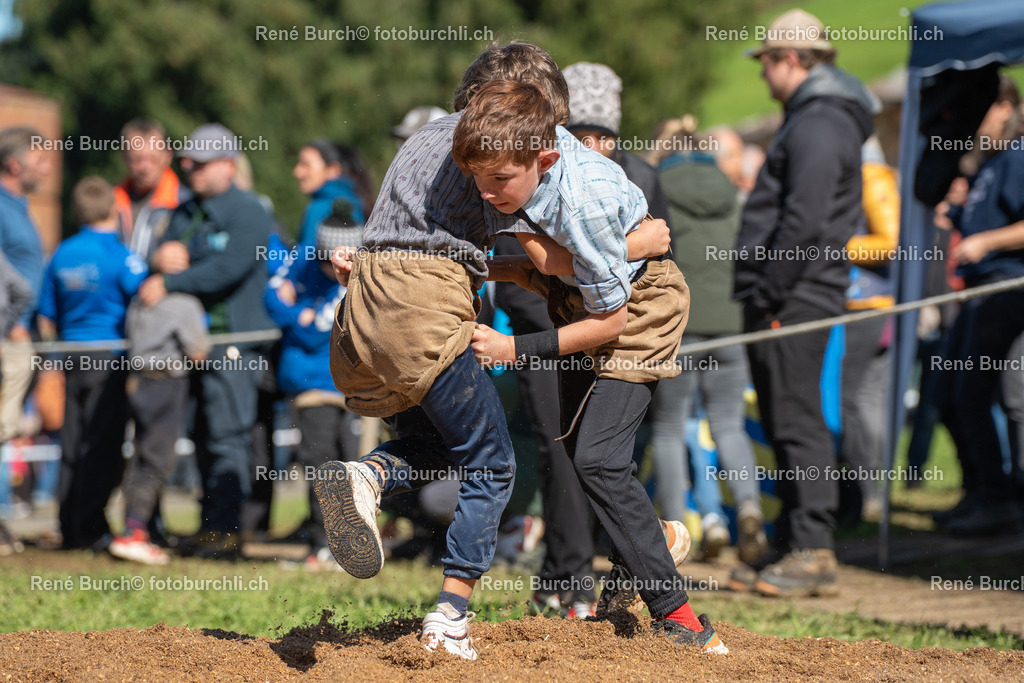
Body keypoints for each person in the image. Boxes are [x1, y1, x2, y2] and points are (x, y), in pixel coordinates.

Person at [316, 41, 671, 661]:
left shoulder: (427, 135)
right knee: (492, 462)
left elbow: (398, 230)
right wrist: (643, 240)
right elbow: (551, 258)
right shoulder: (497, 156)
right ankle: (451, 614)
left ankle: (368, 475)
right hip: (422, 307)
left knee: (439, 443)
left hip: (363, 308)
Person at [455, 79, 727, 654]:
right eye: (479, 178)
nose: (486, 191)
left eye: (499, 181)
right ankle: (651, 548)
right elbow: (551, 264)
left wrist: (513, 351)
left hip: (639, 311)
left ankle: (682, 618)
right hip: (584, 293)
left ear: (545, 157)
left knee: (598, 458)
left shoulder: (583, 201)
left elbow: (609, 323)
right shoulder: (518, 160)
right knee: (577, 450)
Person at [730, 9, 877, 597]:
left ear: (790, 59)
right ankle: (791, 543)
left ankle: (813, 548)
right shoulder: (816, 118)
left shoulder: (819, 122)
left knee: (797, 418)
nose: (763, 73)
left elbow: (805, 222)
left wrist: (768, 291)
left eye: (766, 61)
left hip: (795, 294)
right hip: (791, 293)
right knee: (783, 417)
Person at [140, 123, 275, 558]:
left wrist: (173, 278)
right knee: (199, 433)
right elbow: (159, 255)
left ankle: (229, 531)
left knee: (228, 435)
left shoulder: (250, 211)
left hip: (234, 342)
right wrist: (156, 258)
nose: (188, 169)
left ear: (227, 165)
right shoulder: (183, 211)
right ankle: (207, 525)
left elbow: (229, 269)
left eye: (199, 163)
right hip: (189, 346)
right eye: (186, 162)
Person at [649, 128, 767, 563]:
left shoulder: (653, 191)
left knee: (667, 428)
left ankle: (676, 533)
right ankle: (750, 508)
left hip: (678, 327)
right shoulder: (733, 193)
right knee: (729, 424)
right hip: (730, 326)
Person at [37, 176, 148, 551]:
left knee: (69, 443)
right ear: (113, 210)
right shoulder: (121, 256)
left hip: (69, 357)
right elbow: (147, 293)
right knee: (102, 443)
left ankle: (67, 524)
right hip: (109, 359)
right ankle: (92, 526)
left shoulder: (61, 253)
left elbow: (46, 314)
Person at [937, 74, 1024, 535]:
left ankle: (998, 498)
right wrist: (954, 211)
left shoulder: (1018, 157)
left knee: (974, 394)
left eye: (983, 111)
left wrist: (985, 240)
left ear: (1007, 109)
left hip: (1004, 289)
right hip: (976, 291)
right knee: (949, 396)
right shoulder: (987, 164)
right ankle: (978, 492)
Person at [264, 200, 360, 568]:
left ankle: (333, 545)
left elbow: (316, 329)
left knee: (332, 465)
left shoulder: (353, 274)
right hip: (305, 385)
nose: (328, 270)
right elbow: (270, 295)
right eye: (324, 261)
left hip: (332, 385)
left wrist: (296, 312)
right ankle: (325, 543)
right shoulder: (306, 256)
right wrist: (294, 311)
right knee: (318, 464)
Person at [108, 289, 210, 565]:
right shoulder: (185, 301)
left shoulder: (140, 297)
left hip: (138, 379)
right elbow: (198, 352)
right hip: (165, 381)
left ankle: (134, 529)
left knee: (140, 456)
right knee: (156, 459)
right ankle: (133, 533)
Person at [0, 126, 50, 446]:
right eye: (40, 159)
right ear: (15, 164)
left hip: (23, 332)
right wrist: (9, 323)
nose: (46, 168)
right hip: (8, 334)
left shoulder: (19, 207)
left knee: (10, 428)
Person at [114, 118, 189, 260]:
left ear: (167, 156)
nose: (145, 167)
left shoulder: (184, 204)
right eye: (137, 159)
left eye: (153, 159)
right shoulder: (111, 203)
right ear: (124, 156)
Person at [293, 140, 364, 246]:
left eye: (305, 164)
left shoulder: (318, 208)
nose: (297, 172)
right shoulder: (357, 202)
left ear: (333, 169)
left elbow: (305, 257)